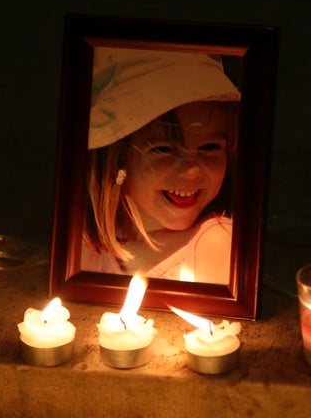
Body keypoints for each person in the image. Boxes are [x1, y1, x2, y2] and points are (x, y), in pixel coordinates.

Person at [80, 47, 241, 284]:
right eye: (163, 149)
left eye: (209, 147)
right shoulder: (87, 247)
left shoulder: (216, 245)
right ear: (117, 158)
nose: (193, 171)